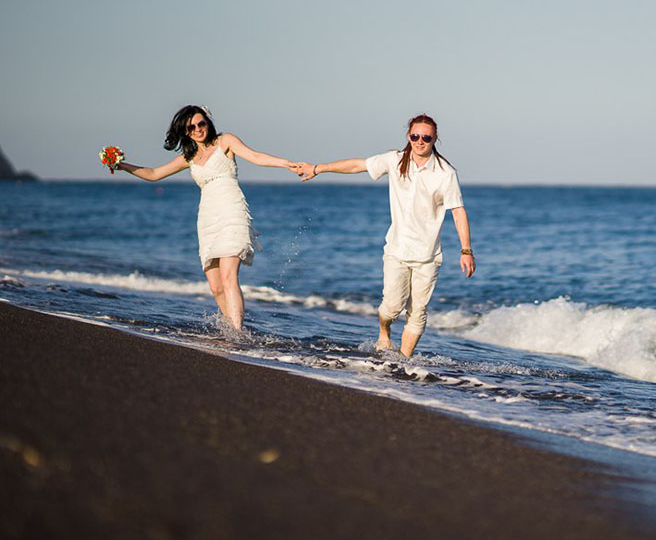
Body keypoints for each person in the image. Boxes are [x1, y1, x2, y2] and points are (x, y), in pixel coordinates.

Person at [293, 113, 475, 357]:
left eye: (426, 137)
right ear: (408, 137)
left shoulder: (445, 173)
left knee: (418, 312)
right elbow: (358, 165)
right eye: (415, 136)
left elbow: (458, 211)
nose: (420, 141)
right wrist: (318, 168)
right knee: (391, 308)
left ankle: (403, 361)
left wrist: (466, 250)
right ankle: (384, 332)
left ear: (435, 139)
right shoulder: (395, 160)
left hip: (429, 256)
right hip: (397, 251)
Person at [112, 105, 297, 330]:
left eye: (202, 123)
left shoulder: (225, 141)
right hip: (208, 218)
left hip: (232, 210)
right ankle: (231, 329)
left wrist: (286, 163)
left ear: (208, 122)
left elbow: (256, 156)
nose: (199, 129)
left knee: (229, 277)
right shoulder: (188, 157)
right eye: (192, 127)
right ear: (186, 132)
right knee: (216, 287)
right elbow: (153, 174)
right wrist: (121, 165)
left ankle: (237, 334)